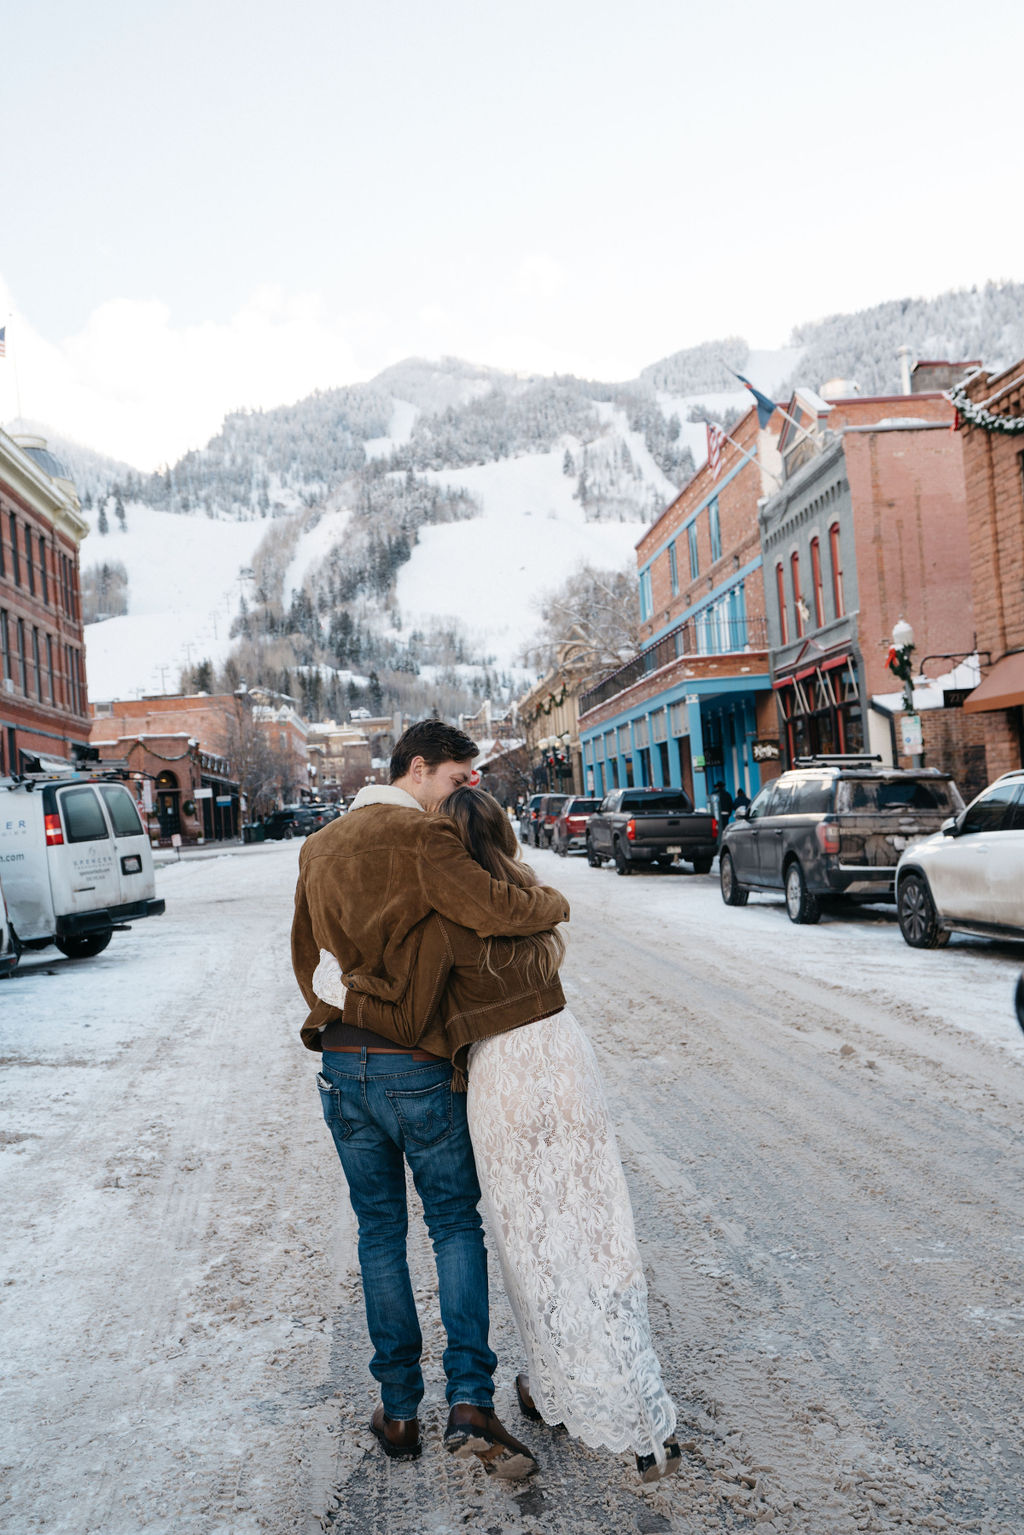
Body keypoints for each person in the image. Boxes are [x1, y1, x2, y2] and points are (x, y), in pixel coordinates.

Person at [335, 786, 681, 1484]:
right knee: (598, 1231)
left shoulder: (444, 919)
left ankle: (555, 1385)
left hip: (503, 1079)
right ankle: (635, 1411)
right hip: (565, 1059)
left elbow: (414, 1018)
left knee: (531, 1244)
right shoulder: (530, 894)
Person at [291, 721, 570, 1480]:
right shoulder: (426, 840)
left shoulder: (318, 846)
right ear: (418, 768)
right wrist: (553, 903)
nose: (465, 791)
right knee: (453, 1223)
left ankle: (401, 1410)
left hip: (343, 1066)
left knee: (379, 1232)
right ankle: (471, 1402)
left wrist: (356, 1000)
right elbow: (494, 911)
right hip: (416, 1064)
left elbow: (305, 956)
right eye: (458, 777)